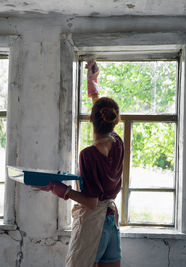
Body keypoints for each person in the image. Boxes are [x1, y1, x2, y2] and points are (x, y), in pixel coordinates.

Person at [35, 61, 124, 267]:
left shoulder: (88, 154)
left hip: (95, 224)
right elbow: (103, 112)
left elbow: (91, 202)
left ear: (91, 119)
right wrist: (93, 85)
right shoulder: (118, 143)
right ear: (115, 120)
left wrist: (60, 190)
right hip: (112, 224)